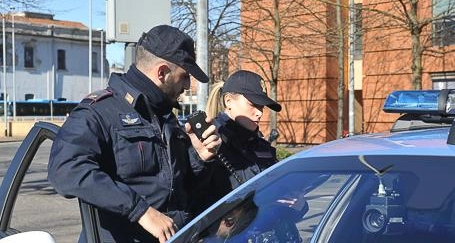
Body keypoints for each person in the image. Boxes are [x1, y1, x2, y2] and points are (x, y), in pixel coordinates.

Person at [47, 25, 221, 243]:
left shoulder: (166, 117)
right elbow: (65, 170)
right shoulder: (99, 112)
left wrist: (199, 158)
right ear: (162, 73)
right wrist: (140, 210)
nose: (187, 85)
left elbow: (181, 193)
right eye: (185, 76)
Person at [198, 70, 282, 212]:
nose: (260, 112)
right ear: (228, 101)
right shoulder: (210, 142)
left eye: (261, 106)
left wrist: (296, 203)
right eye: (253, 104)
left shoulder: (261, 145)